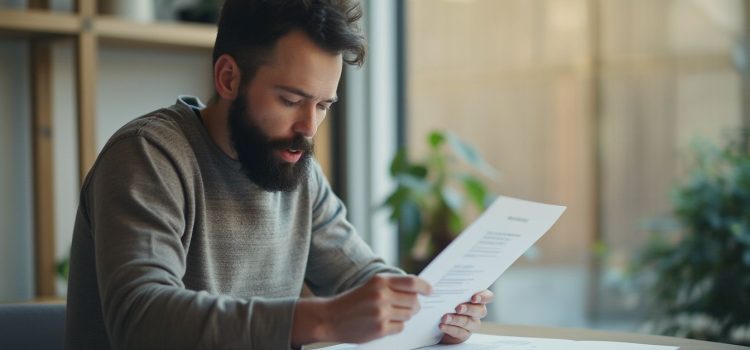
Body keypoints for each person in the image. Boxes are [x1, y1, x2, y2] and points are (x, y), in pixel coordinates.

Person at [64, 0, 493, 349]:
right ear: (229, 77)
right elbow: (142, 320)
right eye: (291, 100)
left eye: (324, 105)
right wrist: (322, 320)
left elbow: (361, 277)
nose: (309, 128)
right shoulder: (149, 155)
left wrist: (433, 308)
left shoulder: (293, 164)